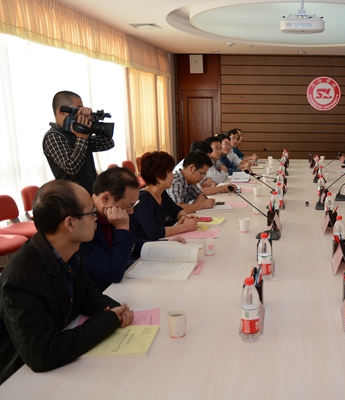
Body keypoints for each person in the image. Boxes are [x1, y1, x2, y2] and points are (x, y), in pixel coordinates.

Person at [0, 180, 133, 384]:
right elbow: (44, 354)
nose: (97, 218)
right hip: (20, 378)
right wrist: (109, 320)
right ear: (70, 224)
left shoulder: (69, 249)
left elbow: (85, 292)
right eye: (91, 212)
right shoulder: (21, 278)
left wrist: (116, 309)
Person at [43, 91, 115, 194]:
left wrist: (92, 122)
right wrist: (81, 138)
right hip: (72, 198)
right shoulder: (53, 136)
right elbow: (71, 167)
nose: (81, 113)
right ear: (61, 111)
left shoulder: (76, 132)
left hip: (90, 193)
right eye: (78, 109)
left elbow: (107, 143)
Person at [129, 152, 198, 240]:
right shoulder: (144, 199)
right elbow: (153, 233)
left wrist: (184, 217)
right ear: (159, 176)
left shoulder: (161, 193)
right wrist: (185, 227)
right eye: (170, 172)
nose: (173, 176)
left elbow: (176, 210)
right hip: (142, 245)